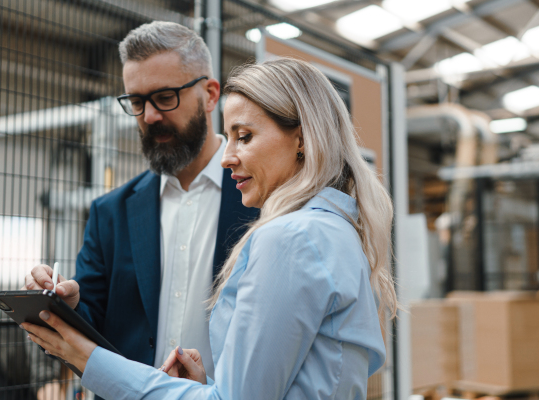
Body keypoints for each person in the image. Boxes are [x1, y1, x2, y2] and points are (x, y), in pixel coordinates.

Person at [23, 58, 398, 399]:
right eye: (136, 103)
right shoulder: (336, 227)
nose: (228, 156)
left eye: (245, 136)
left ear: (301, 137)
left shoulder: (289, 238)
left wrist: (92, 362)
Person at [22, 20, 258, 381]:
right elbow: (89, 328)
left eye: (165, 98)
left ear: (211, 95)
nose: (149, 116)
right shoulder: (110, 213)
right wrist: (65, 305)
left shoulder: (260, 198)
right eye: (136, 101)